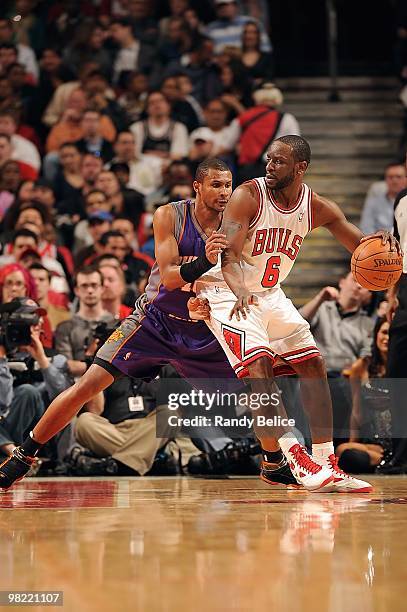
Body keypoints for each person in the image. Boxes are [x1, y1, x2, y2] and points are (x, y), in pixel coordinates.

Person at [0, 157, 236, 490]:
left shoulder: (237, 222)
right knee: (87, 385)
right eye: (216, 184)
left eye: (228, 185)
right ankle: (24, 455)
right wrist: (205, 262)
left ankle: (284, 457)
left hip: (201, 324)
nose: (224, 192)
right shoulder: (169, 215)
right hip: (154, 321)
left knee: (258, 384)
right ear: (197, 186)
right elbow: (169, 278)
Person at [194, 136, 399, 492]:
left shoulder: (317, 206)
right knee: (259, 369)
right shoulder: (248, 196)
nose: (269, 167)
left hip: (269, 294)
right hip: (227, 292)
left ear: (300, 167)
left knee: (313, 365)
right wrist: (239, 288)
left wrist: (382, 246)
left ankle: (325, 462)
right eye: (268, 160)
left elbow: (362, 248)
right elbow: (226, 256)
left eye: (278, 162)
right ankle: (294, 456)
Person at [360, 162, 407, 235]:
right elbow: (366, 228)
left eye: (398, 177)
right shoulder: (374, 202)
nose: (394, 181)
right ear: (386, 179)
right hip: (381, 243)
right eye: (390, 177)